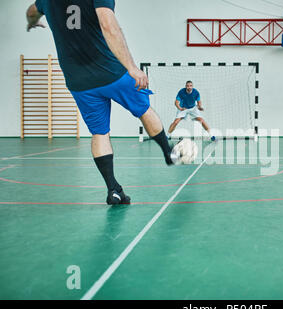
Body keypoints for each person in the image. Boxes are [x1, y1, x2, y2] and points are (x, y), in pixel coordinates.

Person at [26, 0, 178, 205]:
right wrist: (132, 68)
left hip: (78, 81)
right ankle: (168, 153)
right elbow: (109, 25)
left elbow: (31, 11)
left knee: (100, 132)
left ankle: (113, 190)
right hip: (111, 72)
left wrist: (32, 22)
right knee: (144, 109)